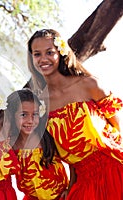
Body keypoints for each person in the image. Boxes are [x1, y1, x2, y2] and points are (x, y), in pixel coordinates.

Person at [27, 28, 123, 199]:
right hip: (83, 180)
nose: (43, 59)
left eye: (49, 52)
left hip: (114, 168)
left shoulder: (89, 85)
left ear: (61, 52)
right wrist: (70, 188)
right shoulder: (39, 105)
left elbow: (118, 128)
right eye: (37, 54)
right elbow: (67, 151)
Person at [6, 88, 68, 200]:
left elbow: (73, 160)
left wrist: (70, 187)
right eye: (23, 115)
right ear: (12, 116)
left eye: (35, 114)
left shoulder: (48, 135)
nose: (30, 120)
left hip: (61, 197)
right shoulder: (11, 144)